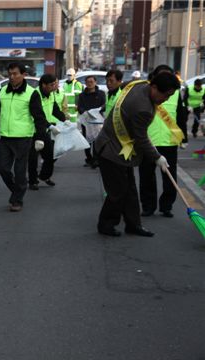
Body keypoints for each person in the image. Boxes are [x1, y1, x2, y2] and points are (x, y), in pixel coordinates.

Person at [94, 72, 180, 237]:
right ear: (154, 87)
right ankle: (106, 224)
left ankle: (133, 225)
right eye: (165, 95)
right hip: (111, 150)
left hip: (121, 148)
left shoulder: (139, 85)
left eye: (170, 96)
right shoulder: (143, 109)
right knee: (117, 192)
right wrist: (157, 157)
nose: (166, 100)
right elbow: (141, 138)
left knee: (130, 190)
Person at [0, 62, 48, 212]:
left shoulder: (32, 93)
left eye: (15, 74)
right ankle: (17, 190)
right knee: (2, 169)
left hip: (23, 138)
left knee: (20, 171)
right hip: (5, 137)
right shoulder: (2, 92)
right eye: (9, 74)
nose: (11, 77)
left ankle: (17, 200)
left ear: (23, 75)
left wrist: (40, 138)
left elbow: (39, 118)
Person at [139, 65, 187, 218]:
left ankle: (166, 206)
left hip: (169, 141)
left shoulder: (176, 92)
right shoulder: (147, 92)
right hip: (148, 141)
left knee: (170, 177)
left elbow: (181, 115)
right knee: (146, 176)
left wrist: (183, 137)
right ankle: (148, 206)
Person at [27, 74, 66, 190]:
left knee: (50, 155)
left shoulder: (51, 94)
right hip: (33, 131)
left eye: (55, 84)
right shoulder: (35, 95)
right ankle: (33, 181)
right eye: (52, 84)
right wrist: (49, 125)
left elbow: (55, 110)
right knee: (33, 158)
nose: (55, 86)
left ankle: (44, 176)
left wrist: (65, 120)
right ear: (43, 85)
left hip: (44, 130)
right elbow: (37, 115)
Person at [78, 75, 106, 167]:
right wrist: (85, 112)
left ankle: (96, 159)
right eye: (88, 82)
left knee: (96, 141)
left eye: (91, 82)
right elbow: (79, 107)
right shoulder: (82, 95)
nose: (90, 83)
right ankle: (89, 159)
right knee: (86, 141)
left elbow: (104, 105)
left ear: (95, 82)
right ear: (85, 83)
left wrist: (97, 111)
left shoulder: (101, 93)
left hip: (97, 121)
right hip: (86, 121)